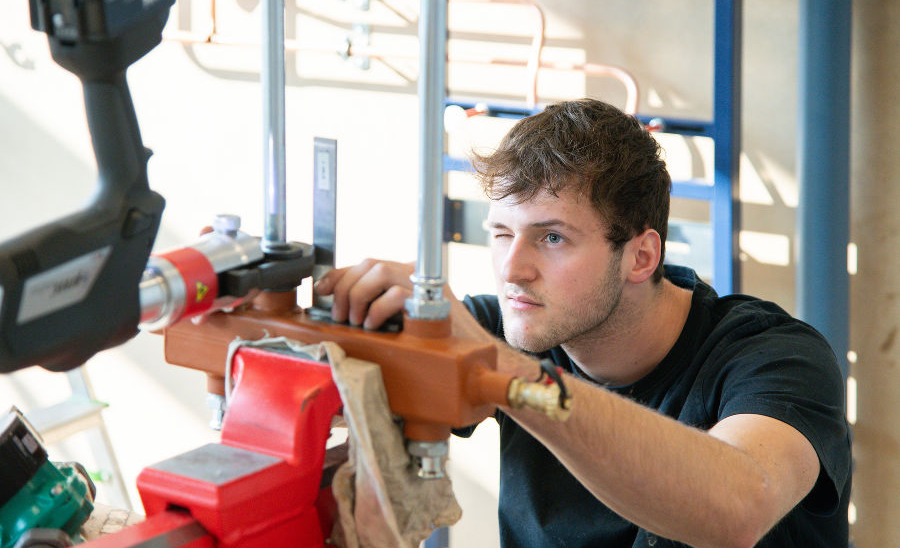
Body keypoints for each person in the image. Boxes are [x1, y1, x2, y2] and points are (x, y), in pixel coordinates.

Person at [313, 99, 851, 548]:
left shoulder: (775, 356)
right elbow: (314, 390)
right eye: (502, 234)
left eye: (552, 238)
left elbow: (737, 508)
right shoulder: (504, 329)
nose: (512, 270)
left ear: (641, 257)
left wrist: (502, 372)